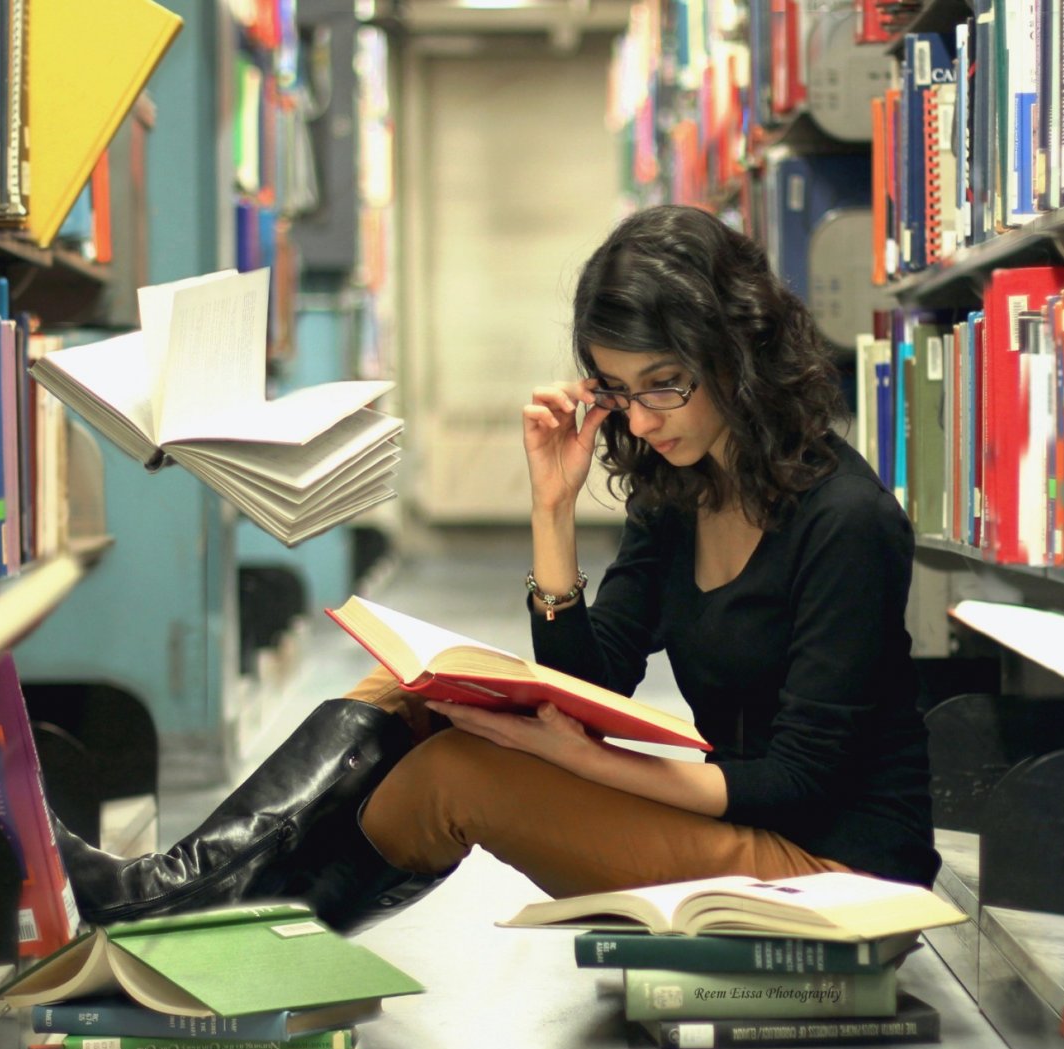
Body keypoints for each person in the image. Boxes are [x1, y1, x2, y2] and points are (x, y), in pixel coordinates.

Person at [55, 204, 939, 934]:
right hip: (741, 822)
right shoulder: (684, 482)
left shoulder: (846, 523)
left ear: (737, 354)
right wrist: (550, 506)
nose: (640, 418)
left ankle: (186, 921)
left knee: (461, 777)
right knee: (399, 694)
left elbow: (800, 779)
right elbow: (590, 677)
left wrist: (578, 762)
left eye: (664, 383)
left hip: (833, 873)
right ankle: (177, 900)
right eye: (616, 391)